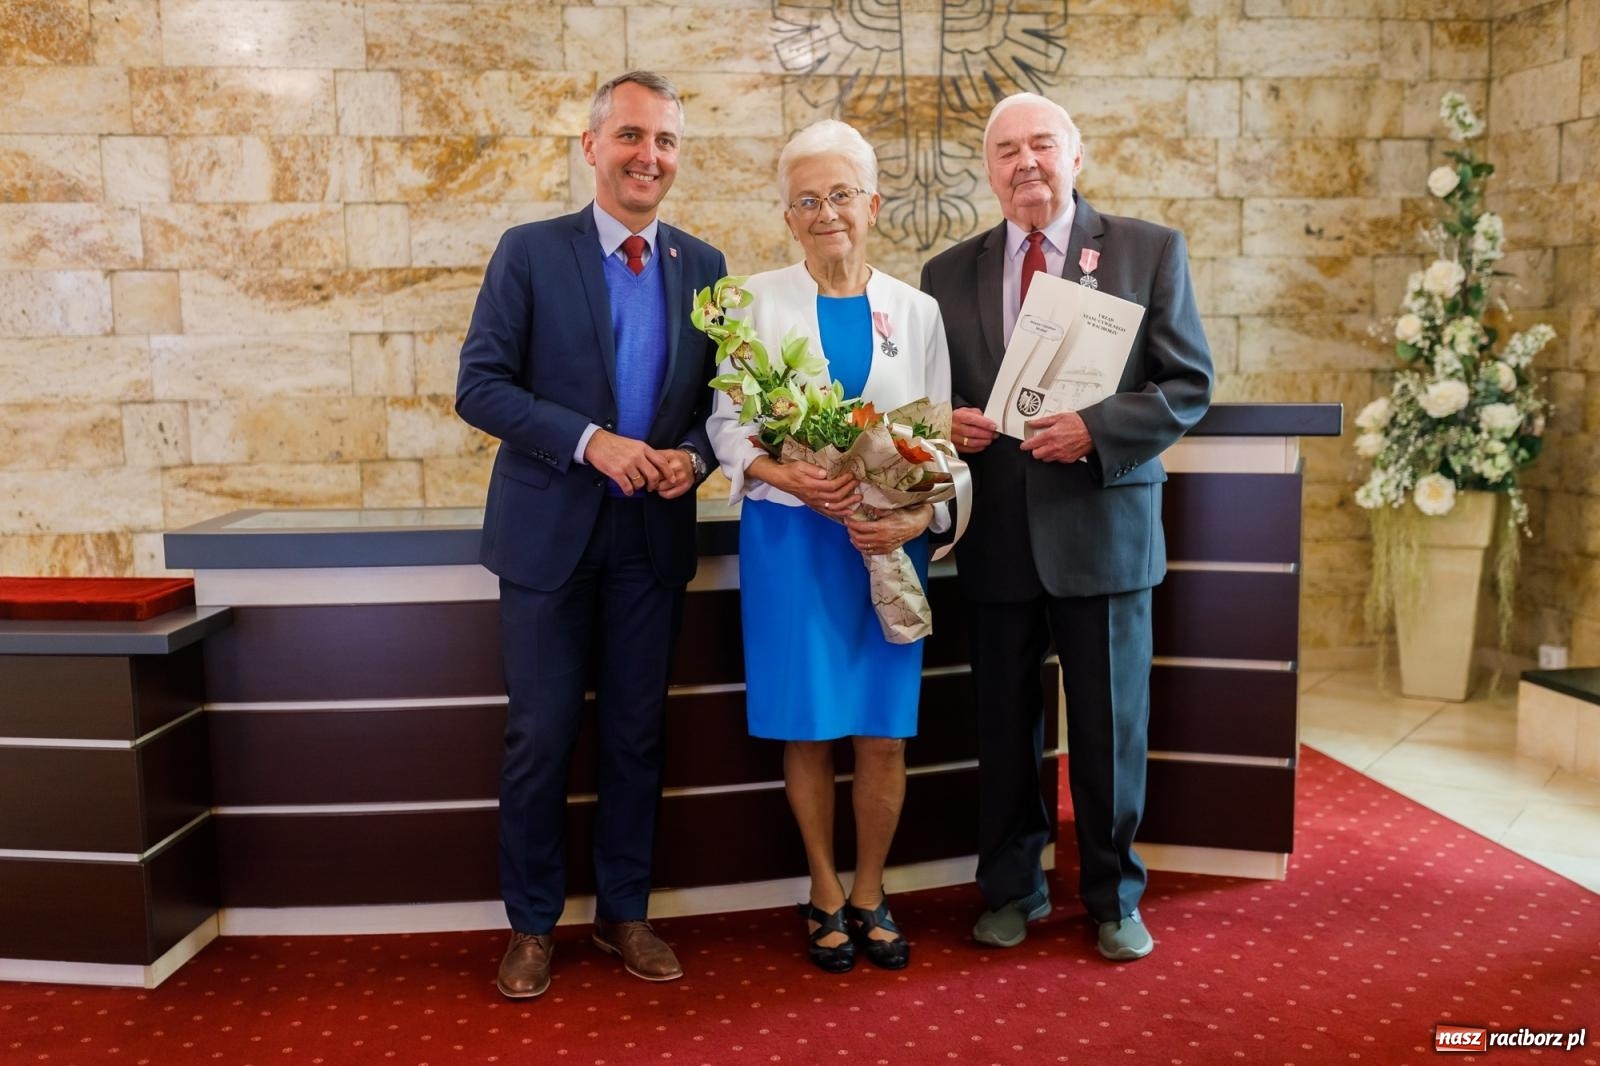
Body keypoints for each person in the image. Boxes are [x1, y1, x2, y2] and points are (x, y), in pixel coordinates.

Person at [919, 93, 1213, 962]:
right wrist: (950, 421)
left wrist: (1098, 429)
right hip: (998, 537)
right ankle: (1012, 890)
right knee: (1004, 731)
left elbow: (1186, 385)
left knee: (1111, 728)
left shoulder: (1147, 250)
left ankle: (1115, 895)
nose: (1026, 164)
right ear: (989, 170)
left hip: (1104, 527)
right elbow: (933, 399)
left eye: (1041, 144)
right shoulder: (945, 274)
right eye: (1006, 151)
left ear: (1076, 155)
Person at [456, 70, 726, 1000]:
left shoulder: (707, 267)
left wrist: (694, 456)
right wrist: (589, 441)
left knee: (636, 737)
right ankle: (532, 926)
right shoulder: (529, 252)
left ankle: (625, 914)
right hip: (548, 541)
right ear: (591, 145)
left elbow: (719, 408)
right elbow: (479, 386)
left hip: (650, 542)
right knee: (539, 736)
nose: (649, 156)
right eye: (631, 137)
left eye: (666, 142)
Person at [706, 119, 953, 974]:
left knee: (883, 733)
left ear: (873, 204)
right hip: (791, 541)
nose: (825, 212)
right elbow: (727, 425)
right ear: (787, 216)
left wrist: (918, 521)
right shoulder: (754, 301)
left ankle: (872, 890)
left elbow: (937, 443)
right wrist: (783, 472)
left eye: (841, 195)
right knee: (807, 729)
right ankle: (821, 887)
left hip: (883, 548)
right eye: (806, 200)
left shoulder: (917, 311)